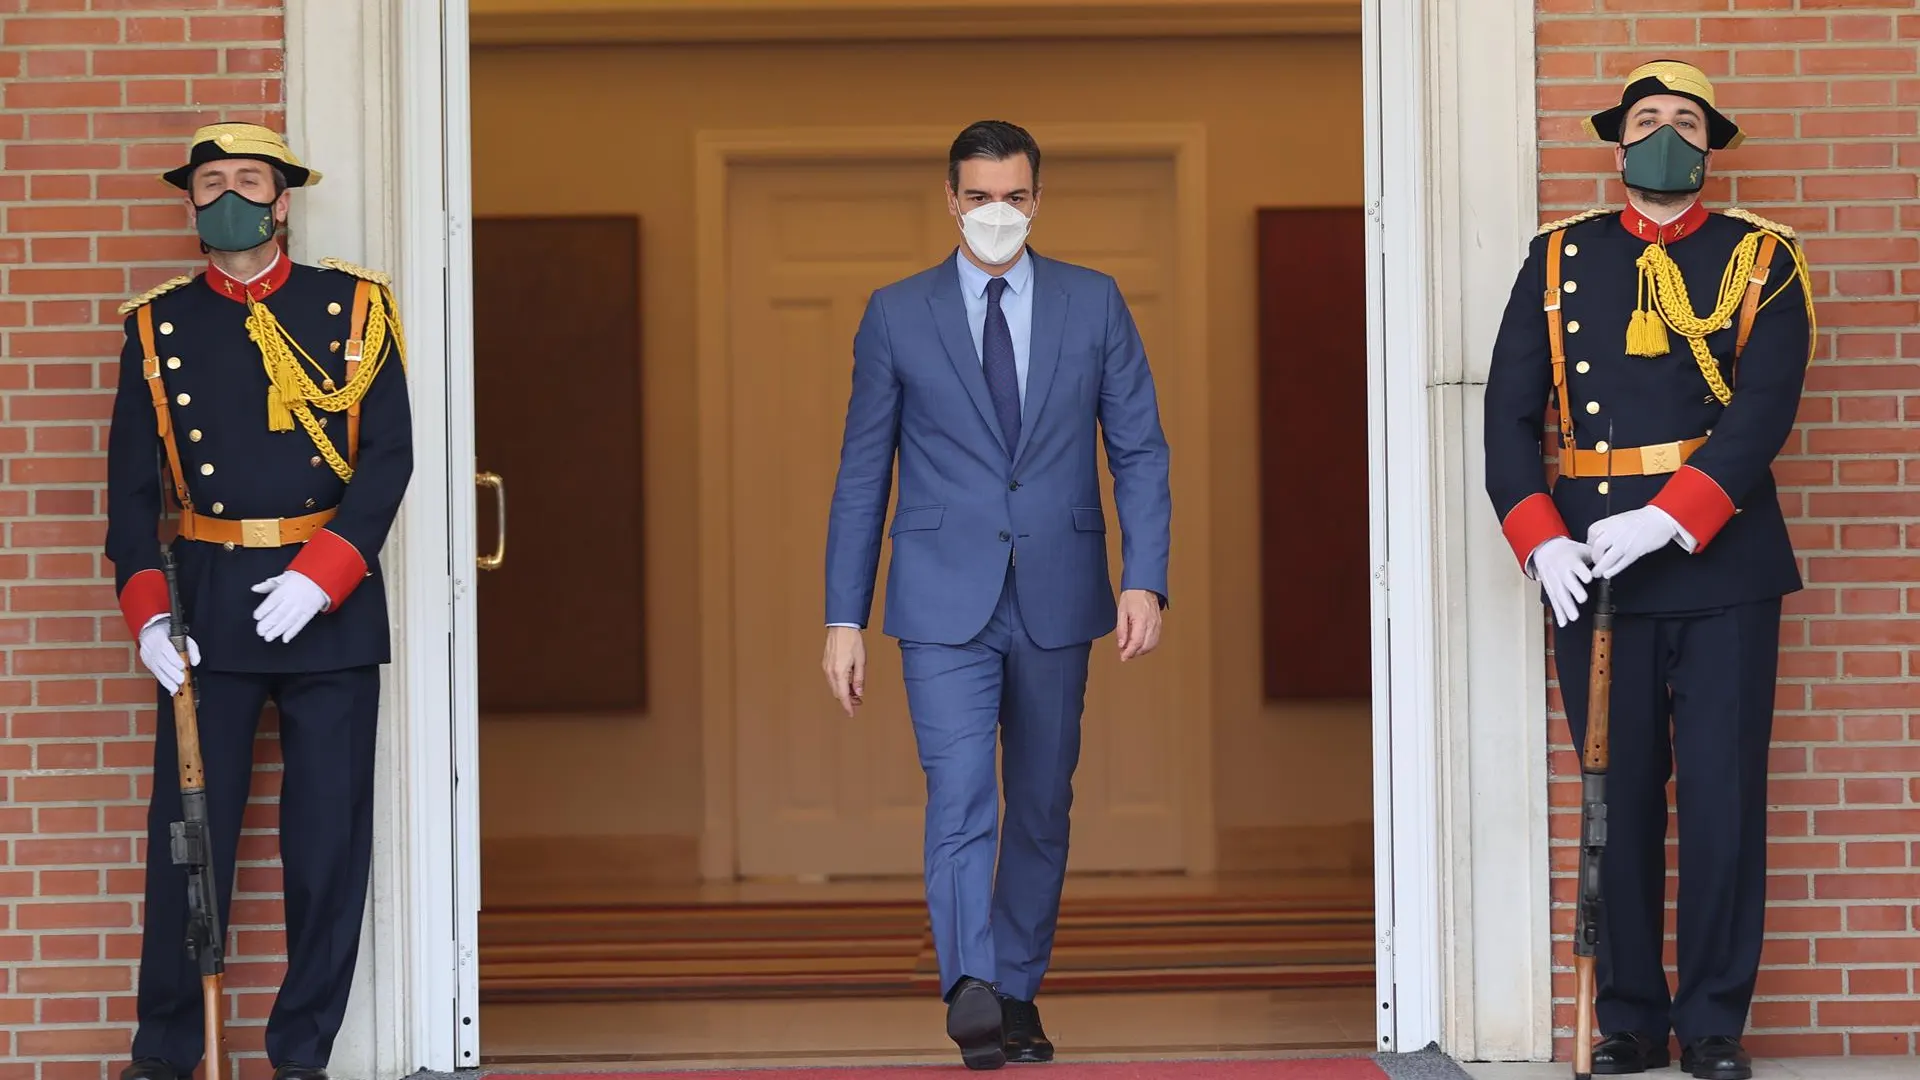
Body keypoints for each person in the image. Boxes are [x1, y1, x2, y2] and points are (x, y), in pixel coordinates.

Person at [1483, 62, 1815, 1080]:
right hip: (1594, 565)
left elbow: (1763, 409)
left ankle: (1712, 1019)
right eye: (1646, 119)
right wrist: (1540, 539)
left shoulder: (1763, 259)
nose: (1665, 133)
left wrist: (1673, 519)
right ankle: (1627, 1015)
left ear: (1710, 145)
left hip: (1720, 558)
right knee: (1614, 797)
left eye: (1684, 121)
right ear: (1617, 144)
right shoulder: (1555, 260)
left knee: (1720, 798)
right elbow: (1507, 414)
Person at [820, 120, 1171, 1069]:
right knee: (962, 790)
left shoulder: (1094, 304)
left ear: (1038, 201)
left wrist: (1146, 577)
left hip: (1059, 593)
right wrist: (843, 617)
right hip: (939, 603)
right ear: (950, 200)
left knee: (1043, 802)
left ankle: (1017, 988)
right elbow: (863, 474)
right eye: (979, 197)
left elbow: (1138, 447)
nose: (997, 214)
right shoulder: (896, 313)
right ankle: (971, 986)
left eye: (1015, 196)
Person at [105, 123, 414, 1080]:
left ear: (283, 201)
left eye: (248, 181)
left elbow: (387, 458)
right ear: (189, 201)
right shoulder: (157, 326)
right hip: (209, 610)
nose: (228, 196)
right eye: (210, 182)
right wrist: (149, 613)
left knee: (327, 851)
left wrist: (327, 571)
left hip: (327, 606)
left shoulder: (354, 309)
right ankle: (164, 1056)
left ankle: (301, 1055)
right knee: (190, 846)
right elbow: (129, 492)